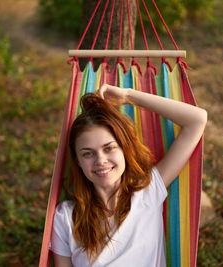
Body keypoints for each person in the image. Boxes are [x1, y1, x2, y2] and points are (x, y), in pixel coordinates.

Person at [50, 84, 207, 267]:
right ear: (77, 161)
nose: (100, 160)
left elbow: (197, 120)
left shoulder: (148, 191)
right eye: (88, 153)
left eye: (109, 148)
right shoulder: (67, 217)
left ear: (124, 150)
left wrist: (128, 95)